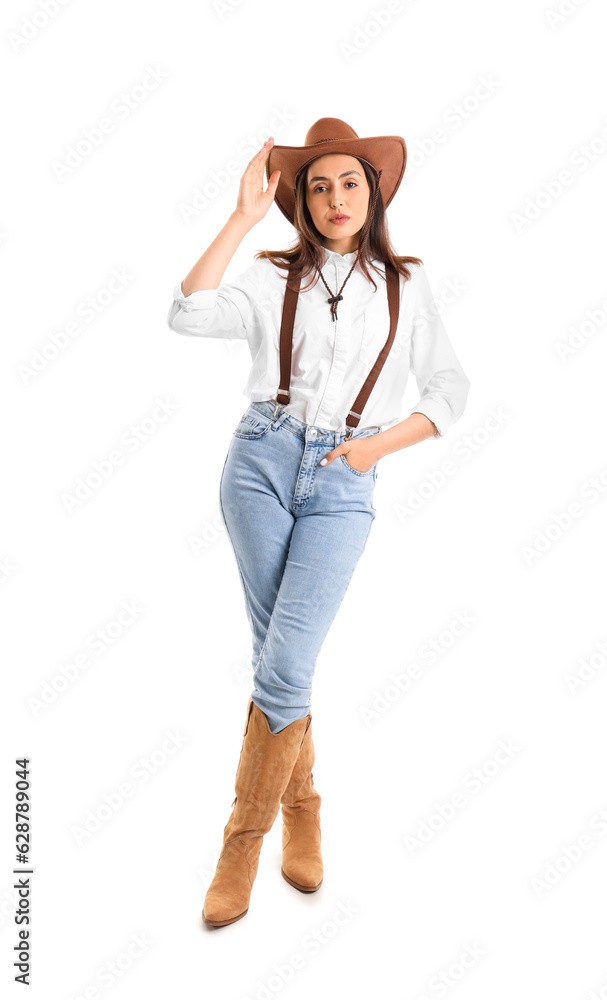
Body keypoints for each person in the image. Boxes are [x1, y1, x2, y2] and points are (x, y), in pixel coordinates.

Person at [166, 118, 471, 928]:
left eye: (350, 182)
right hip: (259, 464)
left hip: (345, 476)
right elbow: (187, 314)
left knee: (285, 658)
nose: (336, 198)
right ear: (299, 199)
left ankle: (245, 839)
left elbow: (448, 389)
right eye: (318, 185)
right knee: (281, 661)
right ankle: (294, 817)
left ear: (373, 193)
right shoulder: (270, 275)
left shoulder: (405, 284)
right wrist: (240, 217)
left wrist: (375, 452)